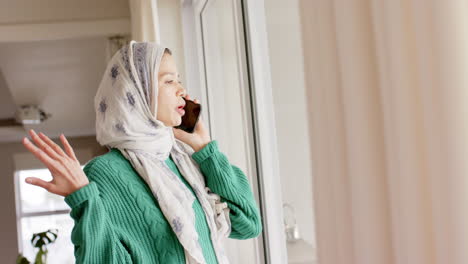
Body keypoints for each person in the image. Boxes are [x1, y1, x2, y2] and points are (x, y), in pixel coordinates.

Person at [21, 41, 262, 264]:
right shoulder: (106, 172)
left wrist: (206, 150)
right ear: (137, 91)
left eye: (179, 80)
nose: (181, 90)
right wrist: (83, 198)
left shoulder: (185, 161)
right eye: (169, 81)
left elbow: (248, 224)